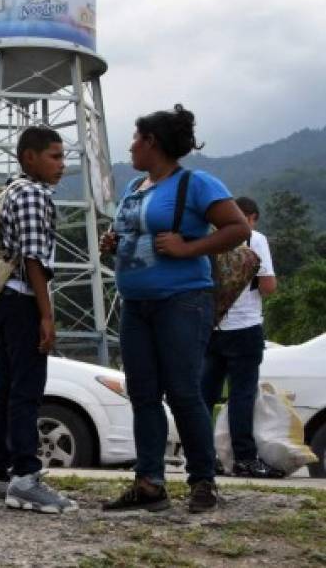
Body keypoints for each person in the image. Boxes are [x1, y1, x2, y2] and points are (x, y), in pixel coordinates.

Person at [100, 105, 250, 513]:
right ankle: (149, 483)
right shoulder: (135, 187)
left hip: (182, 301)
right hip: (136, 304)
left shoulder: (196, 183)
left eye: (135, 138)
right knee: (144, 394)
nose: (130, 145)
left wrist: (189, 248)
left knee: (183, 392)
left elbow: (239, 229)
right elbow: (129, 231)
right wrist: (113, 243)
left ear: (152, 142)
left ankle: (203, 482)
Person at [0, 126, 78, 513]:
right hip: (22, 302)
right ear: (29, 157)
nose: (62, 165)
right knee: (26, 393)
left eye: (62, 157)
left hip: (0, 303)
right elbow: (34, 259)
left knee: (2, 392)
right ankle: (25, 478)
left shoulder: (9, 191)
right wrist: (46, 315)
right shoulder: (34, 194)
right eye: (54, 156)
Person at [202, 196, 283, 478]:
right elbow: (269, 286)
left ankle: (202, 458)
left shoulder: (207, 237)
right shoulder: (254, 238)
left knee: (204, 396)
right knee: (241, 395)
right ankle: (245, 459)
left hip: (210, 328)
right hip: (245, 328)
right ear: (252, 218)